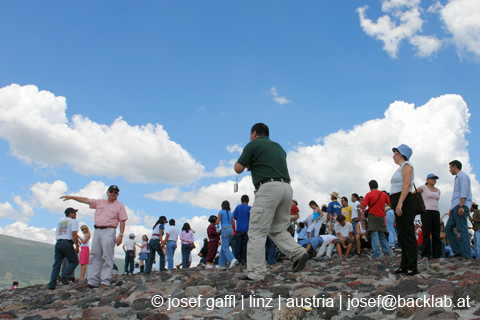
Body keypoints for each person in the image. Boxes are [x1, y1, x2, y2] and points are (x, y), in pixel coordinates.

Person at [234, 123, 309, 281]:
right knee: (277, 229)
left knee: (256, 231)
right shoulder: (279, 147)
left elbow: (238, 168)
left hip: (268, 188)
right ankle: (298, 253)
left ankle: (256, 273)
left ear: (254, 133)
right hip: (286, 188)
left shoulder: (253, 144)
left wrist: (248, 162)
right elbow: (269, 163)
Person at [60, 185, 127, 288]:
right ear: (107, 192)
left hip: (109, 230)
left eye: (115, 192)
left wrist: (120, 235)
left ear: (118, 194)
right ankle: (92, 281)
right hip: (97, 230)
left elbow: (122, 221)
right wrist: (72, 197)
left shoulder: (120, 206)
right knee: (94, 255)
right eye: (111, 191)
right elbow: (86, 200)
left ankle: (105, 281)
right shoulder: (100, 202)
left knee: (108, 257)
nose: (113, 193)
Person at [390, 144, 417, 276]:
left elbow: (407, 184)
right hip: (398, 201)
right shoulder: (401, 168)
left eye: (395, 152)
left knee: (408, 234)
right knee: (402, 235)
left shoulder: (407, 166)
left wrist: (400, 203)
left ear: (401, 154)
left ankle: (412, 266)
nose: (393, 155)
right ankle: (404, 265)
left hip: (404, 202)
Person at [446, 160, 473, 259]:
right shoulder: (458, 178)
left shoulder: (463, 176)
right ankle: (458, 251)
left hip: (460, 205)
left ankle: (466, 255)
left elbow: (464, 192)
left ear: (455, 167)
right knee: (448, 228)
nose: (450, 170)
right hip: (456, 206)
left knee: (462, 229)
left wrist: (461, 206)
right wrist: (452, 207)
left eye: (450, 167)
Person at [48, 207, 80, 290]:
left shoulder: (60, 222)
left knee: (57, 264)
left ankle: (51, 285)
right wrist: (77, 245)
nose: (76, 214)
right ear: (70, 213)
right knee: (74, 261)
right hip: (67, 243)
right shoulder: (73, 221)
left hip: (58, 243)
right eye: (74, 212)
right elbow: (74, 233)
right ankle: (64, 276)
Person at [359, 180, 391, 259]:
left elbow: (363, 206)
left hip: (372, 216)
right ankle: (387, 253)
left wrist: (358, 206)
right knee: (383, 235)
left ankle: (377, 254)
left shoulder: (369, 194)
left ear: (370, 186)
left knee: (374, 235)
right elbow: (390, 204)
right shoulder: (383, 194)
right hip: (381, 217)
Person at [413, 173, 442, 260]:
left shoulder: (438, 190)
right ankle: (426, 254)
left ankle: (437, 254)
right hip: (426, 211)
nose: (433, 180)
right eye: (431, 178)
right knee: (426, 232)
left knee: (436, 234)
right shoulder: (423, 187)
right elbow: (414, 194)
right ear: (427, 180)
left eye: (435, 178)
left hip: (436, 212)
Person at [216, 200, 238, 270]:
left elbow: (217, 222)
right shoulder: (230, 213)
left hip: (224, 229)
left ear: (222, 206)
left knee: (225, 247)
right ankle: (222, 264)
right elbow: (233, 223)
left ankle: (232, 259)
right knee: (224, 247)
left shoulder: (221, 212)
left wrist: (218, 229)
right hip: (231, 230)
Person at [233, 195, 251, 264]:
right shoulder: (250, 208)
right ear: (248, 200)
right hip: (247, 229)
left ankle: (237, 258)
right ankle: (244, 259)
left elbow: (234, 216)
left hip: (239, 229)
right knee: (245, 245)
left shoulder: (238, 208)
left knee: (238, 245)